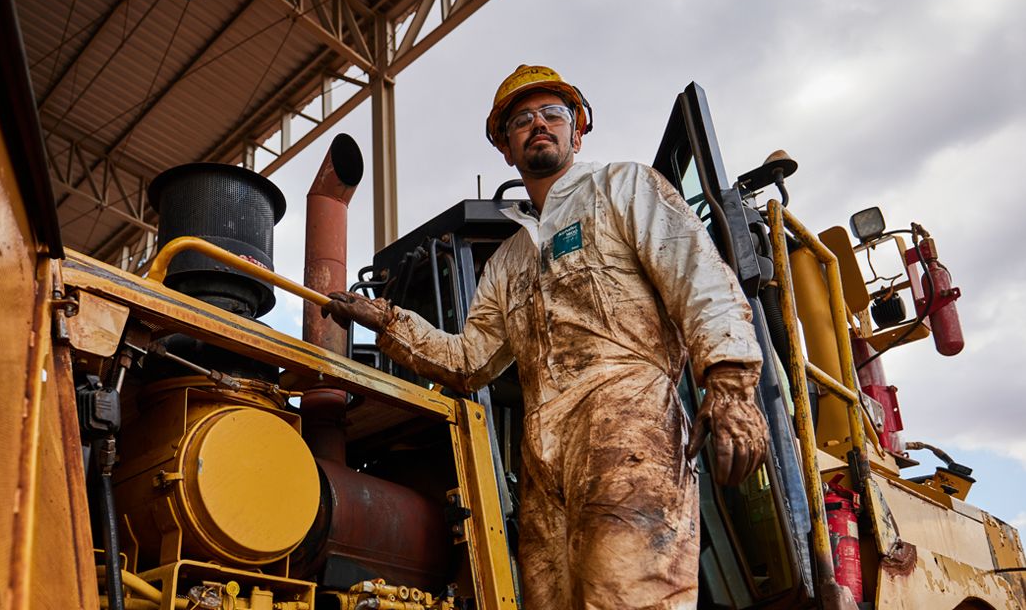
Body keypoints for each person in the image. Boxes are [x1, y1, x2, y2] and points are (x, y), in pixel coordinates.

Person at [322, 65, 768, 609]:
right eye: (521, 120)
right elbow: (470, 360)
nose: (539, 125)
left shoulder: (622, 189)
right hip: (542, 459)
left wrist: (730, 384)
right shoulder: (510, 259)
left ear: (576, 132)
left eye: (552, 114)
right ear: (505, 148)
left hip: (629, 430)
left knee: (628, 595)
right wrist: (388, 321)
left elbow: (697, 277)